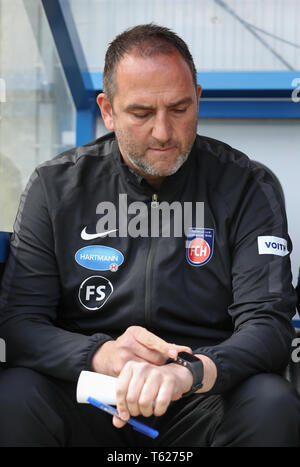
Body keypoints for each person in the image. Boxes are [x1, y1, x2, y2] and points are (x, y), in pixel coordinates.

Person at [0, 23, 299, 448]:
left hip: (202, 395)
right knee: (12, 397)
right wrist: (101, 356)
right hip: (89, 395)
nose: (162, 132)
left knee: (272, 403)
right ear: (107, 110)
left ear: (198, 98)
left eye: (179, 109)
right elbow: (19, 321)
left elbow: (268, 325)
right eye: (141, 113)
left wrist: (186, 372)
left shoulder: (248, 186)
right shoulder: (56, 186)